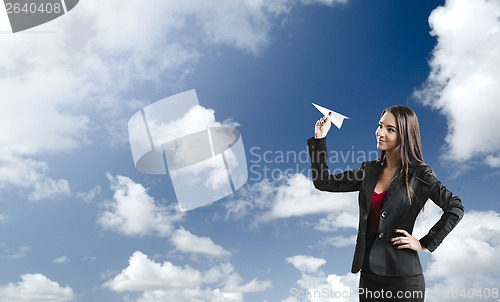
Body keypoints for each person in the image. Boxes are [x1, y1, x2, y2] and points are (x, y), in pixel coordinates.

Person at [307, 106, 464, 302]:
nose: (380, 133)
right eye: (380, 126)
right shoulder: (368, 170)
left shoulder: (420, 174)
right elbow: (324, 182)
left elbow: (455, 207)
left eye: (390, 129)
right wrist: (320, 139)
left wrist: (424, 243)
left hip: (404, 278)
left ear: (405, 136)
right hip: (369, 276)